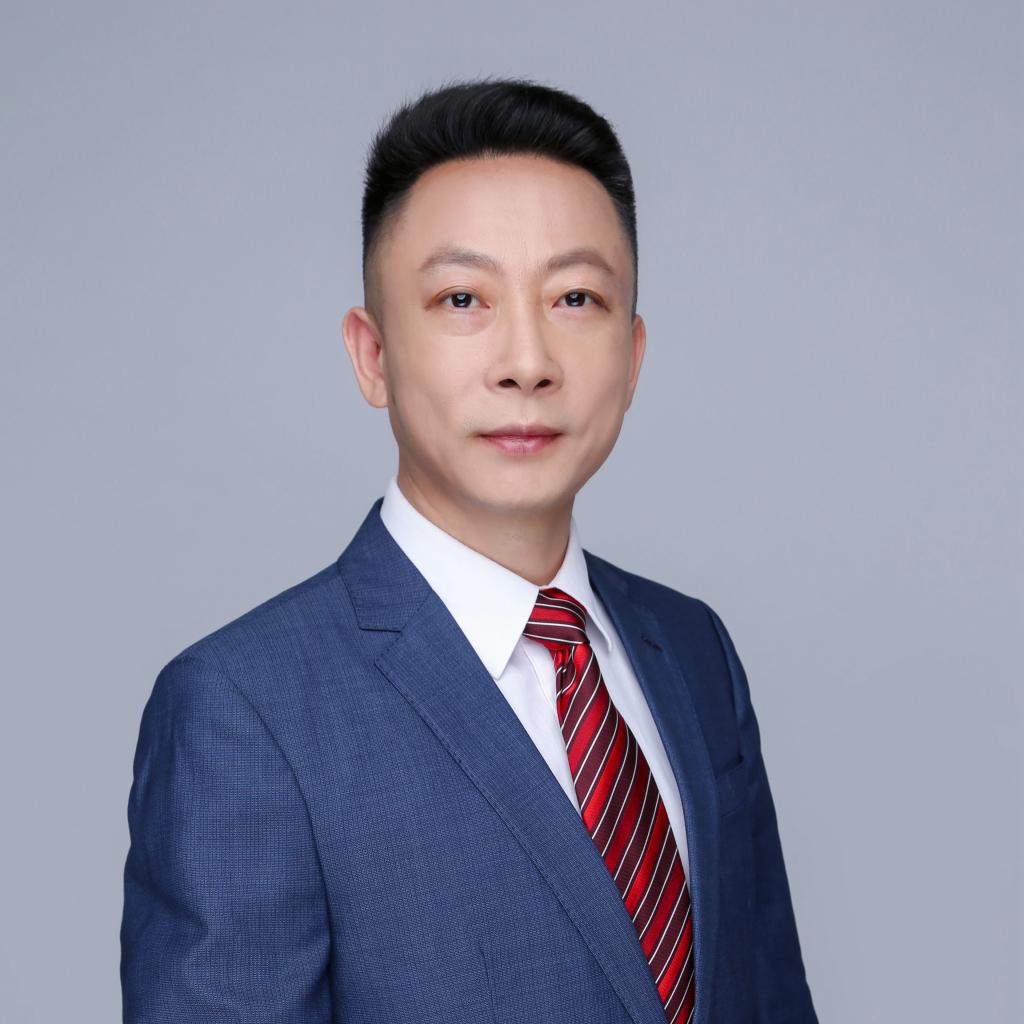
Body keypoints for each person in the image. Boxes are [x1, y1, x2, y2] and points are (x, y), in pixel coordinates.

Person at [120, 76, 818, 1024]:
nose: (527, 362)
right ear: (372, 355)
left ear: (634, 354)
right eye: (462, 298)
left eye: (576, 297)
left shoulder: (693, 650)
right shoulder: (244, 710)